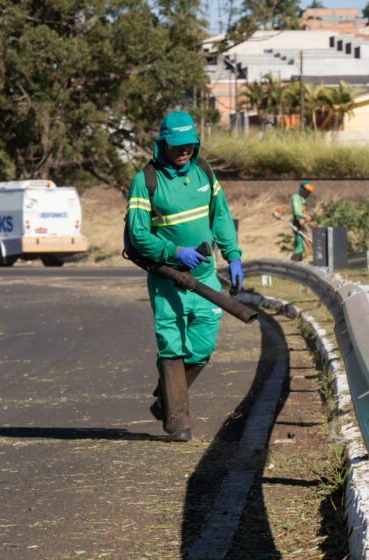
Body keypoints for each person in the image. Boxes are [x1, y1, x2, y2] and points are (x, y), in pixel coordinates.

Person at [126, 111, 243, 441]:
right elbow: (138, 235)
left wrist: (233, 255)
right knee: (172, 345)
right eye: (177, 145)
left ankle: (165, 398)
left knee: (203, 345)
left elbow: (220, 216)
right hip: (168, 278)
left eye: (189, 144)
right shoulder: (145, 181)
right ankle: (178, 420)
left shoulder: (205, 172)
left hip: (205, 277)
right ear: (161, 144)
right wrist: (175, 253)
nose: (184, 151)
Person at [291, 180, 313, 261]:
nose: (307, 194)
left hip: (302, 224)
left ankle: (298, 264)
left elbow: (302, 210)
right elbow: (297, 212)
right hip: (297, 223)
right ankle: (293, 265)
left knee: (303, 245)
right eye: (306, 192)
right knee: (299, 245)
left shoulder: (303, 200)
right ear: (302, 189)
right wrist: (304, 216)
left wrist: (308, 214)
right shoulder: (295, 197)